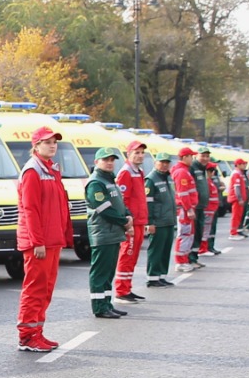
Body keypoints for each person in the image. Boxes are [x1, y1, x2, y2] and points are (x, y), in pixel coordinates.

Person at [14, 125, 73, 352]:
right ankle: (27, 336)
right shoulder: (32, 171)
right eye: (47, 142)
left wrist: (63, 235)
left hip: (51, 239)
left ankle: (37, 332)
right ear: (36, 145)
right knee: (35, 288)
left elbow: (59, 207)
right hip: (40, 242)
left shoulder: (50, 169)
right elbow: (30, 209)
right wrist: (37, 241)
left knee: (46, 289)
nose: (52, 145)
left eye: (54, 142)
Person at [84, 147, 132, 319]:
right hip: (103, 233)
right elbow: (104, 209)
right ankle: (99, 307)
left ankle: (107, 304)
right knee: (100, 272)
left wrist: (127, 214)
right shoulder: (96, 182)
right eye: (106, 160)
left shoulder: (109, 180)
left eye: (112, 160)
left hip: (113, 233)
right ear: (97, 162)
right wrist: (124, 221)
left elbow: (118, 201)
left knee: (109, 272)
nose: (110, 163)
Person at [113, 140, 150, 303]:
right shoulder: (126, 172)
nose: (140, 156)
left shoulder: (139, 171)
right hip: (132, 223)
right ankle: (121, 290)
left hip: (140, 221)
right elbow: (123, 200)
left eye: (142, 153)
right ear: (129, 154)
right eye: (137, 152)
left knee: (133, 256)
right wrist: (127, 223)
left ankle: (127, 287)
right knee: (127, 254)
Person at [144, 151, 178, 287]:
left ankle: (162, 276)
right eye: (161, 162)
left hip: (168, 220)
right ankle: (152, 277)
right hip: (158, 222)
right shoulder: (151, 179)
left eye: (167, 163)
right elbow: (148, 203)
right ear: (155, 163)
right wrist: (150, 222)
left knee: (165, 250)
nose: (164, 165)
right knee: (156, 250)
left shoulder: (168, 177)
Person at [170, 146, 201, 273]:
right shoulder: (182, 172)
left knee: (188, 234)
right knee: (184, 234)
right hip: (184, 208)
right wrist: (188, 209)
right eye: (191, 156)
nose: (192, 159)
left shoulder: (184, 170)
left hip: (186, 208)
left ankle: (184, 259)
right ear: (184, 157)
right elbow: (183, 193)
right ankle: (180, 261)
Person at [186, 147, 211, 264]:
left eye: (207, 156)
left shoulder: (203, 169)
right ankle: (189, 258)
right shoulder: (193, 168)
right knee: (193, 233)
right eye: (203, 156)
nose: (205, 158)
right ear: (196, 156)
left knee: (199, 232)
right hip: (194, 207)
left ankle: (194, 257)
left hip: (201, 206)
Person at [197, 149, 222, 255]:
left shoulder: (210, 180)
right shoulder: (206, 181)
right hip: (207, 209)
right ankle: (203, 248)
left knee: (208, 230)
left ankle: (207, 247)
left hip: (212, 210)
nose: (213, 172)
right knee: (204, 230)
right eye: (211, 170)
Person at [228, 159, 249, 238]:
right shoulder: (236, 174)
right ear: (238, 165)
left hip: (239, 199)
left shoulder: (239, 173)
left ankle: (236, 231)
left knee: (238, 216)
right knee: (236, 216)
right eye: (243, 164)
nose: (244, 165)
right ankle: (233, 233)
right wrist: (239, 199)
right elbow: (237, 187)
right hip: (236, 199)